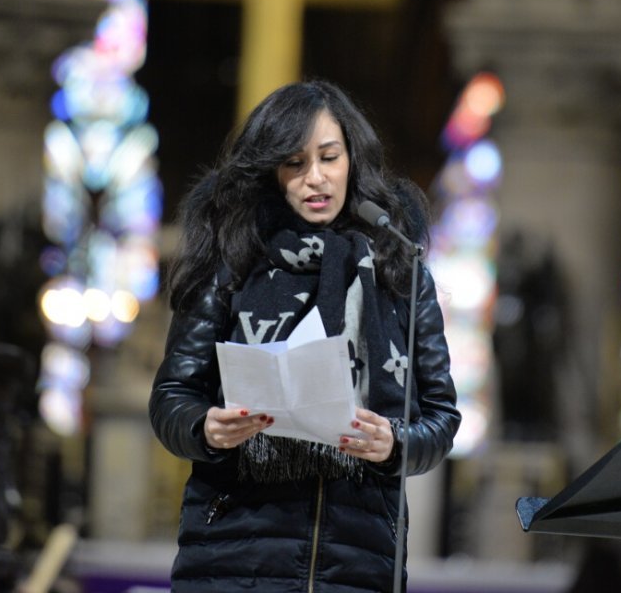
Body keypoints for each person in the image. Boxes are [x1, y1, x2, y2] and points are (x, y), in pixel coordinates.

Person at [150, 80, 461, 592]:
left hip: (358, 557)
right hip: (236, 550)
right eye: (294, 163)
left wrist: (393, 442)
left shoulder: (398, 270)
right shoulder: (233, 262)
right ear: (271, 172)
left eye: (329, 157)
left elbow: (441, 420)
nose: (314, 178)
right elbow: (170, 398)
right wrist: (207, 428)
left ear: (352, 161)